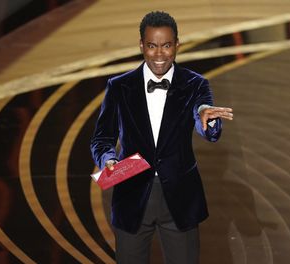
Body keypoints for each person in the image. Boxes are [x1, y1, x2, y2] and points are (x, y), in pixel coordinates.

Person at [91, 11, 233, 264]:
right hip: (132, 195)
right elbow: (102, 138)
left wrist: (208, 119)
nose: (159, 54)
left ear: (177, 45)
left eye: (166, 46)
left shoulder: (195, 84)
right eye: (152, 46)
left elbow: (206, 123)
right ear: (141, 46)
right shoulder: (119, 86)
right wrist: (108, 160)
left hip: (180, 197)